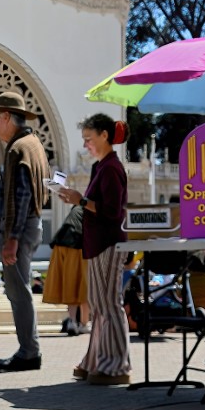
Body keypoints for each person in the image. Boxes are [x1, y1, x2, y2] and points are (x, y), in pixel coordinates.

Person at [59, 114, 131, 385]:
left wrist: (82, 200)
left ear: (104, 135)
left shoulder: (112, 168)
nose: (86, 144)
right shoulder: (101, 167)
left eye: (89, 139)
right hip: (98, 243)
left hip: (108, 242)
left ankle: (116, 366)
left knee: (109, 305)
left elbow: (112, 211)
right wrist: (78, 200)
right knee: (100, 306)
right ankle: (98, 360)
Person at [0, 92, 49, 372]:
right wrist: (2, 220)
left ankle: (29, 351)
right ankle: (28, 348)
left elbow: (22, 196)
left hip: (20, 230)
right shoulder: (32, 144)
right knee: (18, 289)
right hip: (26, 225)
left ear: (8, 117)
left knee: (18, 291)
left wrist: (12, 236)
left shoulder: (17, 148)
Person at [43, 204, 90, 336]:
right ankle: (84, 324)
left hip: (61, 244)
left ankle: (72, 322)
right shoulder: (90, 208)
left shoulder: (75, 210)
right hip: (80, 246)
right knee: (84, 286)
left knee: (70, 284)